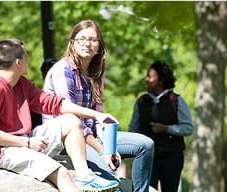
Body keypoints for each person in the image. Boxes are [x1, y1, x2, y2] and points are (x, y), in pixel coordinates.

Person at [0, 39, 119, 192]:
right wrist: (27, 142)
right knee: (62, 173)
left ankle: (84, 177)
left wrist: (95, 115)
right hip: (3, 151)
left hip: (25, 140)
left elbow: (54, 103)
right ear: (18, 62)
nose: (28, 60)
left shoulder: (21, 83)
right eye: (26, 57)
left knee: (71, 120)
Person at [43, 20, 154, 192]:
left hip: (91, 136)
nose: (87, 43)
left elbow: (98, 119)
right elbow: (74, 121)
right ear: (72, 43)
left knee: (145, 145)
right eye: (81, 39)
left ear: (99, 46)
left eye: (93, 40)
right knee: (112, 183)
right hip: (68, 140)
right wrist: (103, 151)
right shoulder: (62, 69)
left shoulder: (96, 74)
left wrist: (109, 148)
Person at [129, 61, 194, 192]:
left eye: (150, 76)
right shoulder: (141, 101)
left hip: (172, 157)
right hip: (147, 159)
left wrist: (166, 128)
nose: (146, 80)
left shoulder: (176, 100)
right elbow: (133, 129)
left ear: (161, 80)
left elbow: (188, 128)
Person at [31, 58, 57, 128]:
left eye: (54, 71)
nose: (50, 74)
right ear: (43, 74)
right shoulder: (35, 96)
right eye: (47, 71)